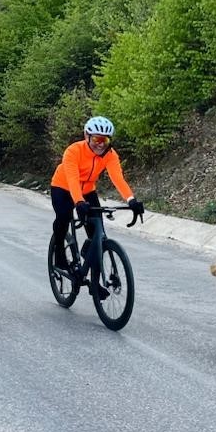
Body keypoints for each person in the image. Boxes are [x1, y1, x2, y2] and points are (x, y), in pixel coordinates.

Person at [50, 115, 144, 297]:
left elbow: (118, 179)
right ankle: (59, 253)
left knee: (97, 236)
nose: (100, 144)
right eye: (96, 139)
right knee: (64, 216)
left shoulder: (110, 155)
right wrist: (78, 202)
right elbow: (72, 178)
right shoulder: (73, 151)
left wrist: (131, 200)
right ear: (87, 136)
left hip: (88, 190)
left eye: (105, 140)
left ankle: (94, 281)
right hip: (63, 187)